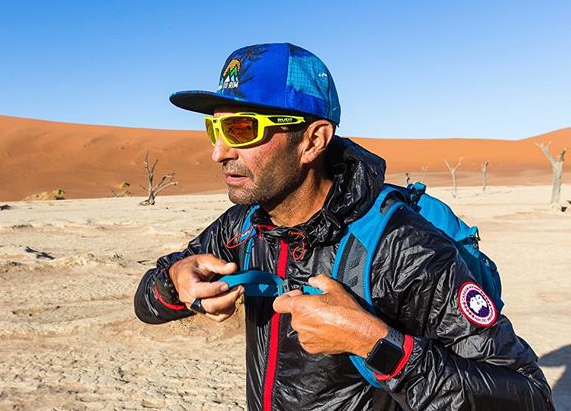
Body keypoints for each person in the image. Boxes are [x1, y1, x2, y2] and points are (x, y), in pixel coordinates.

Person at [134, 43, 553, 410]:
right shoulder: (245, 224)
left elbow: (529, 396)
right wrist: (175, 280)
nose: (219, 152)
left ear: (313, 141)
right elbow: (147, 304)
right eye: (214, 129)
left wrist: (377, 344)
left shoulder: (402, 248)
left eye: (241, 129)